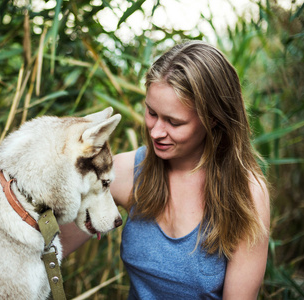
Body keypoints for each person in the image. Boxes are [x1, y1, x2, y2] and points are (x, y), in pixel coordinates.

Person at [60, 40, 270, 299]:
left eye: (174, 121)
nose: (156, 132)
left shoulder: (246, 194)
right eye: (151, 112)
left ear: (213, 119)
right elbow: (49, 249)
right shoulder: (125, 172)